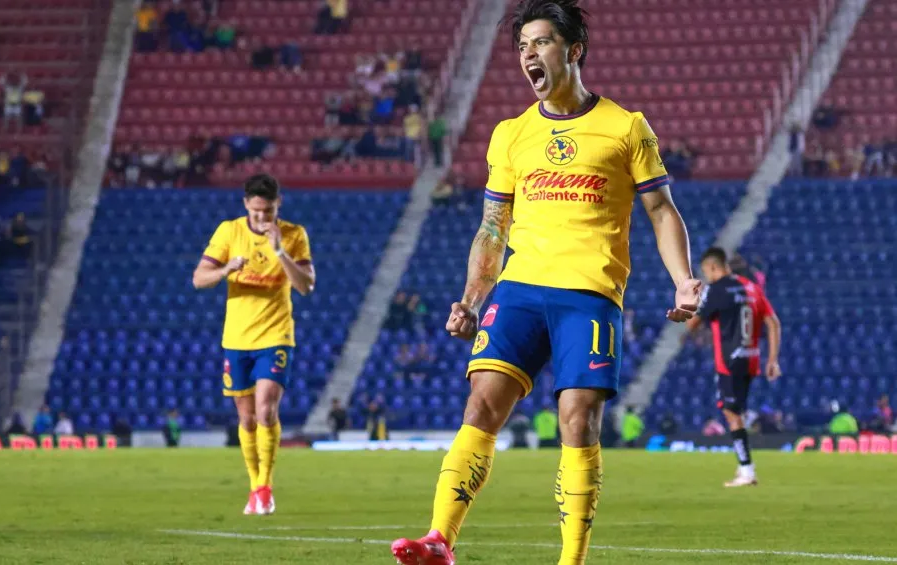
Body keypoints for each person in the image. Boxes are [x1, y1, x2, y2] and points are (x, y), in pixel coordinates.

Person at [391, 2, 702, 563]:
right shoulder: (512, 134)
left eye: (540, 43)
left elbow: (660, 209)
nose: (528, 55)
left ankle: (571, 559)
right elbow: (492, 227)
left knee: (577, 416)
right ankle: (440, 539)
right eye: (522, 47)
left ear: (573, 50)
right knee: (481, 404)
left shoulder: (625, 126)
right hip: (520, 290)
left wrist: (683, 280)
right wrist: (469, 299)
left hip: (588, 294)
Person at [192, 173, 315, 517]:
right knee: (246, 420)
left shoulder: (293, 235)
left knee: (266, 410)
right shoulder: (229, 232)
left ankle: (265, 487)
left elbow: (306, 286)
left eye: (269, 210)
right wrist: (225, 269)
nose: (263, 218)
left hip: (276, 335)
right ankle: (254, 486)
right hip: (237, 337)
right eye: (258, 211)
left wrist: (279, 251)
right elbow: (199, 278)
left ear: (279, 204)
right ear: (246, 204)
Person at [686, 247, 782, 488]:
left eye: (706, 271)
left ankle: (746, 469)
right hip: (751, 359)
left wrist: (692, 309)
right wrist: (772, 359)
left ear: (713, 267)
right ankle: (745, 466)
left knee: (731, 414)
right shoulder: (752, 288)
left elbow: (693, 323)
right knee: (736, 411)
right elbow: (773, 323)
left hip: (728, 361)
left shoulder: (717, 290)